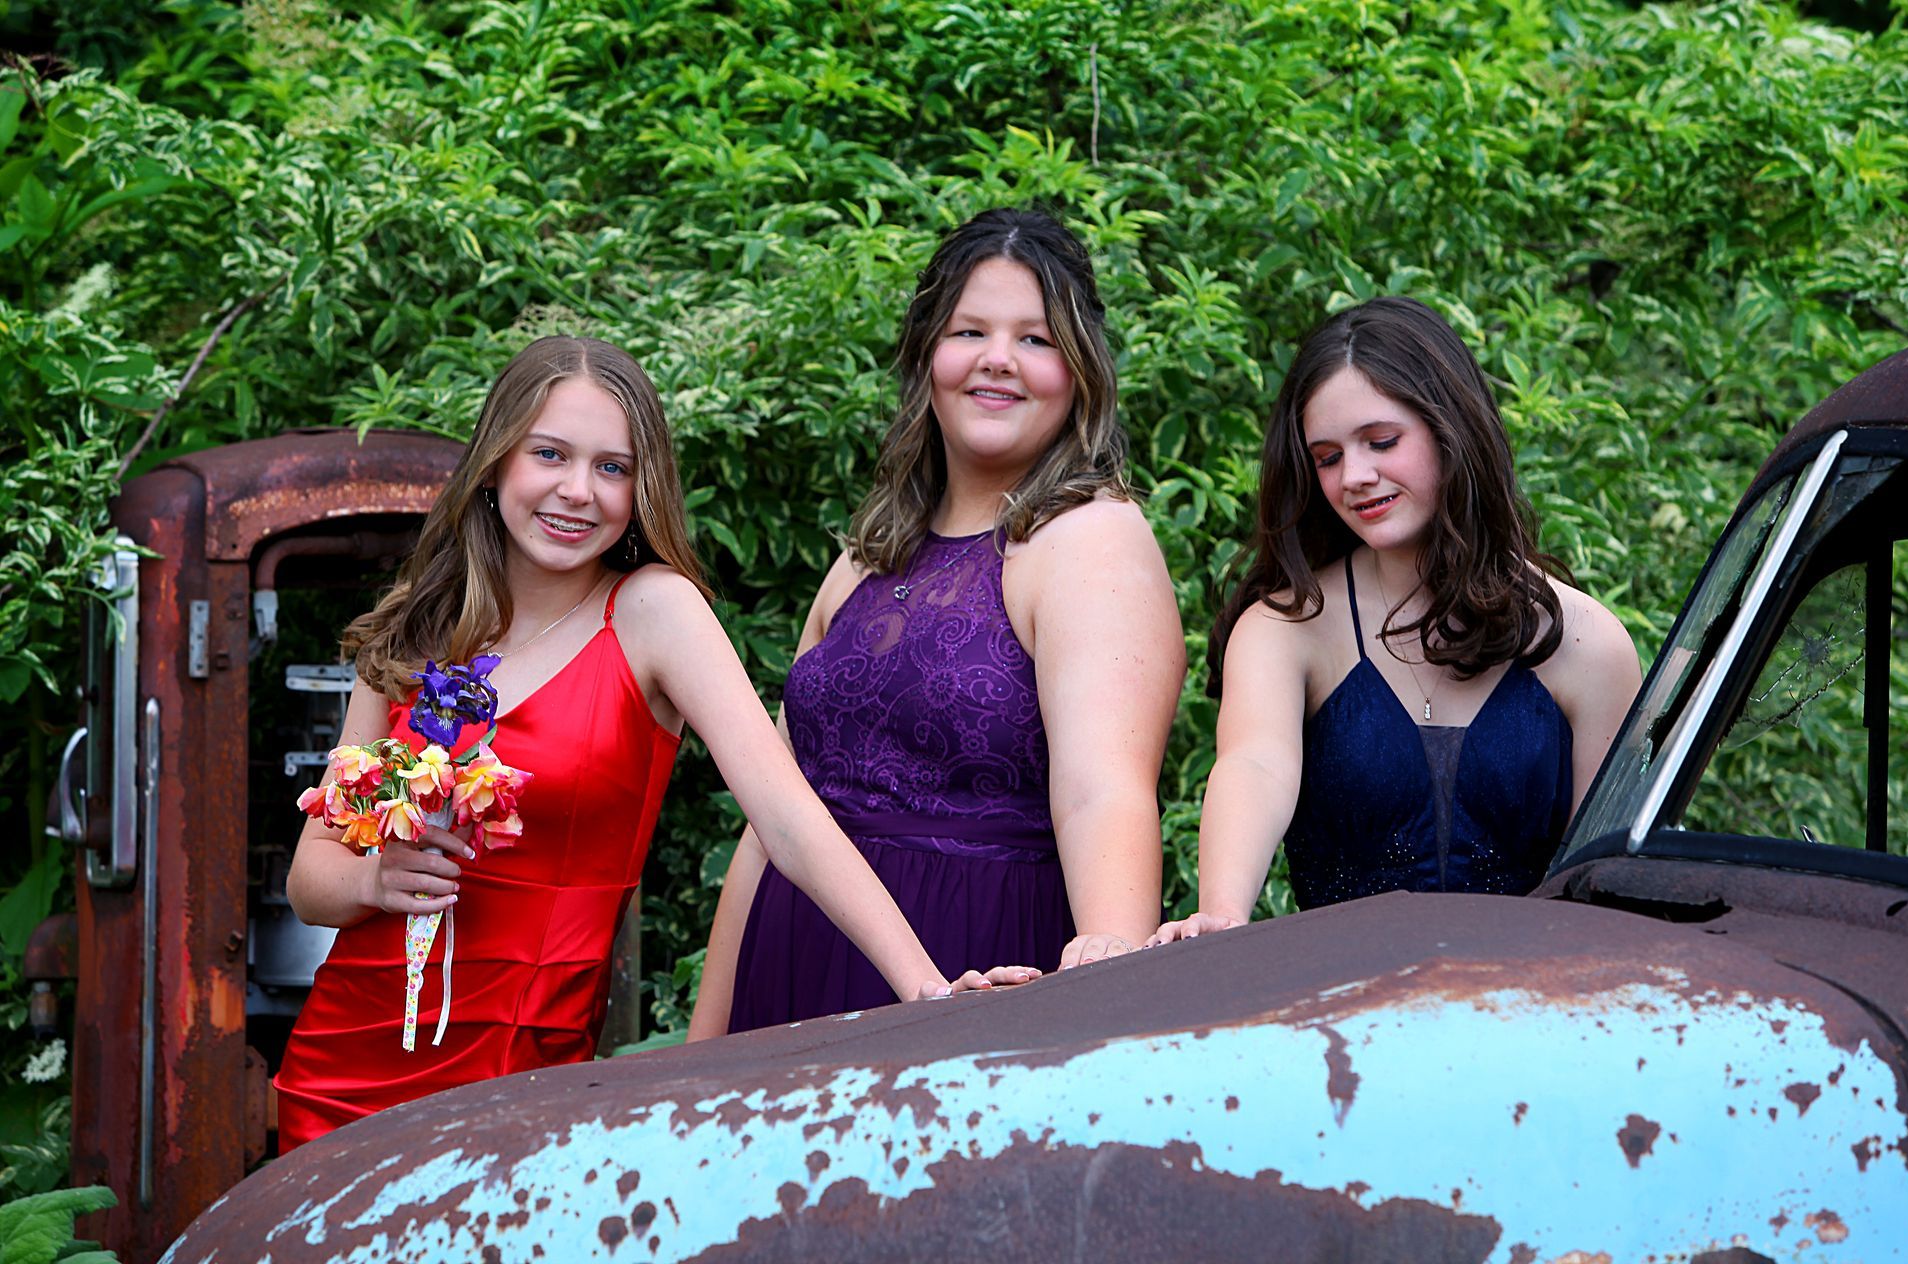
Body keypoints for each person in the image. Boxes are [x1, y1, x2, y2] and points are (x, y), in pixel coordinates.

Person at [274, 337, 1025, 1151]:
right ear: (495, 465)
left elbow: (789, 820)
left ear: (642, 489)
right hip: (342, 1074)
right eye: (550, 455)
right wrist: (378, 876)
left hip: (525, 1091)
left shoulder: (652, 614)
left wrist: (929, 989)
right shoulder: (413, 629)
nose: (576, 491)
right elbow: (313, 880)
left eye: (611, 468)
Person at [688, 207, 1184, 1038]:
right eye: (970, 331)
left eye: (1036, 338)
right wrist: (704, 1044)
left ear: (1081, 371)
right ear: (928, 356)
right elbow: (775, 818)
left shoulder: (1090, 538)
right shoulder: (866, 560)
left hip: (973, 986)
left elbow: (1105, 793)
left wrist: (1109, 987)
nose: (998, 359)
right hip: (786, 981)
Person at [1150, 296, 1640, 941]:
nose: (1354, 476)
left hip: (1534, 1012)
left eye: (1381, 442)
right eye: (1327, 457)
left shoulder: (1587, 641)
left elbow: (1606, 878)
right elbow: (1254, 765)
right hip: (1341, 1010)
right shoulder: (1287, 626)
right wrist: (1220, 911)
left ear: (1451, 430)